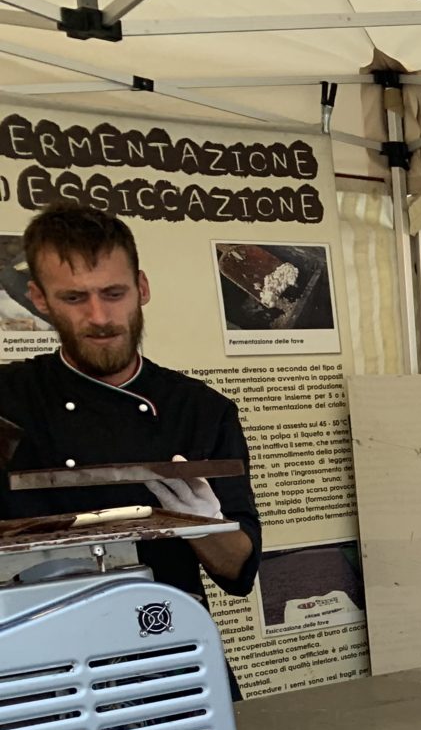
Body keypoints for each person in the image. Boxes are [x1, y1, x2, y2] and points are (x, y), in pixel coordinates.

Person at [0, 205, 261, 648]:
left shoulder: (200, 409)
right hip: (39, 653)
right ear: (40, 299)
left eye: (113, 293)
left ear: (142, 288)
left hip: (168, 643)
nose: (100, 316)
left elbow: (238, 572)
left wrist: (205, 526)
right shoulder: (9, 400)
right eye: (74, 298)